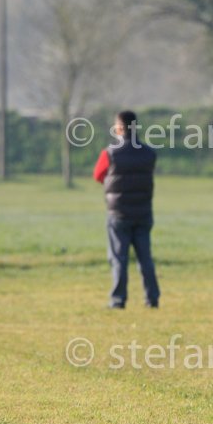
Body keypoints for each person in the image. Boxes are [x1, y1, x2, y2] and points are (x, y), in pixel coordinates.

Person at [93, 110, 160, 309]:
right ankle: (152, 298)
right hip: (143, 213)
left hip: (118, 214)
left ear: (120, 128)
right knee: (145, 258)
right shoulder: (149, 153)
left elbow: (98, 175)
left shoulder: (110, 153)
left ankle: (118, 299)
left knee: (118, 258)